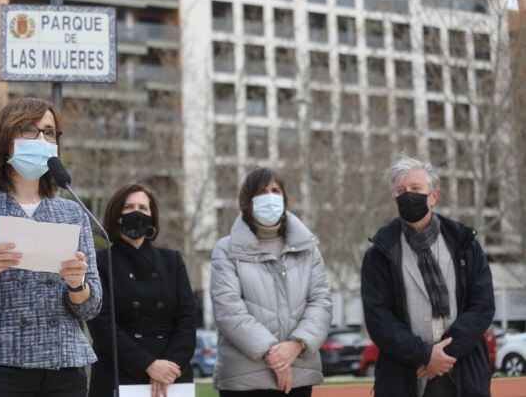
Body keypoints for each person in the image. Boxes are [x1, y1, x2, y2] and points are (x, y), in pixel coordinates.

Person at [0, 97, 102, 397]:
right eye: (29, 130)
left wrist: (78, 285)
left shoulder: (73, 211)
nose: (42, 139)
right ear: (5, 139)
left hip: (63, 367)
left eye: (50, 132)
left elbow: (91, 307)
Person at [361, 156, 495, 397]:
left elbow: (482, 306)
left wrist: (445, 355)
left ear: (434, 196)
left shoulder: (465, 244)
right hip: (406, 377)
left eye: (416, 189)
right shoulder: (379, 254)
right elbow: (379, 319)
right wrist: (424, 355)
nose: (407, 195)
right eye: (400, 191)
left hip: (462, 375)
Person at [210, 167, 332, 397]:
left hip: (299, 375)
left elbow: (321, 302)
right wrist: (274, 356)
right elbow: (228, 310)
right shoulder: (226, 250)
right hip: (245, 379)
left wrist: (296, 346)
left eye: (275, 190)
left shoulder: (308, 249)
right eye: (261, 191)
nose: (270, 197)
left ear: (285, 198)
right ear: (247, 201)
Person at [87, 183, 196, 397]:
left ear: (152, 218)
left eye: (143, 208)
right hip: (118, 371)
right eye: (128, 207)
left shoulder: (172, 260)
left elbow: (187, 319)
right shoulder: (99, 261)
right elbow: (101, 324)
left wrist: (169, 367)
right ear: (115, 214)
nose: (136, 212)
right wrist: (148, 365)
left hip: (171, 377)